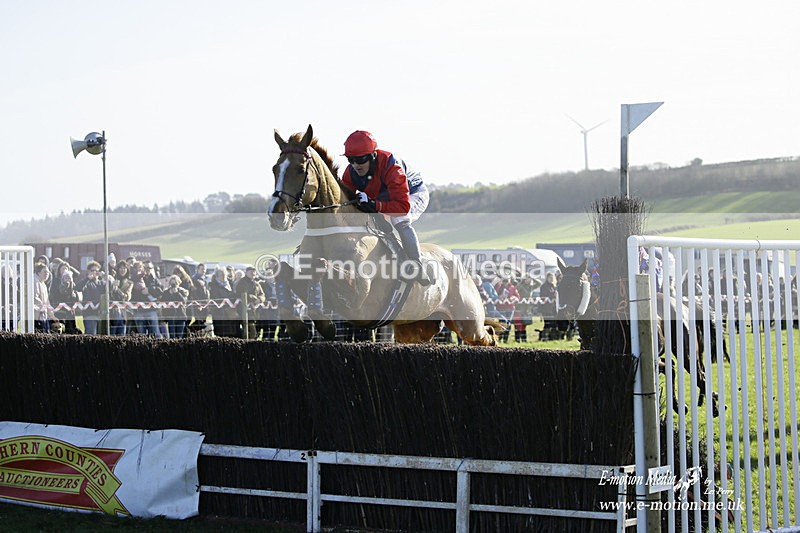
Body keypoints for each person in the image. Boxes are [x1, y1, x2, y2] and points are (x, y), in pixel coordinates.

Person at [340, 130, 432, 286]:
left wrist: (375, 205)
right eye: (351, 160)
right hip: (383, 197)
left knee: (399, 218)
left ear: (372, 156)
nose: (356, 165)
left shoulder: (392, 169)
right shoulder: (350, 173)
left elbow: (402, 207)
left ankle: (416, 265)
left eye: (361, 159)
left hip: (413, 195)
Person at [235, 266, 266, 339]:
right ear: (246, 273)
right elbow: (242, 293)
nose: (253, 274)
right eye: (251, 272)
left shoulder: (257, 283)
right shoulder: (242, 282)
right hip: (245, 310)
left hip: (256, 311)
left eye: (254, 272)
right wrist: (253, 298)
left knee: (256, 330)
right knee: (250, 330)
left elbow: (263, 295)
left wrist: (259, 299)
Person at [75, 261, 106, 335]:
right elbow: (77, 288)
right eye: (93, 270)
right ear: (88, 271)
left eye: (97, 270)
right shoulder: (86, 282)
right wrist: (87, 279)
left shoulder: (102, 283)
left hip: (101, 314)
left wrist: (107, 278)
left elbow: (111, 289)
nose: (95, 272)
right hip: (89, 314)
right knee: (91, 335)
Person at [160, 274, 189, 339]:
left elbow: (184, 301)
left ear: (178, 283)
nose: (174, 285)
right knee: (172, 336)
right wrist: (170, 293)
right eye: (172, 283)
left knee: (179, 336)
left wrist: (177, 293)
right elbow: (163, 303)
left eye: (176, 283)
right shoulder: (166, 292)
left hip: (180, 316)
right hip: (171, 317)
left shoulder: (182, 291)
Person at [33, 262, 57, 332]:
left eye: (48, 272)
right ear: (38, 272)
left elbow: (47, 302)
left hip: (43, 316)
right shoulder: (35, 281)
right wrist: (44, 306)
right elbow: (35, 298)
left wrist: (53, 316)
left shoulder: (43, 284)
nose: (47, 273)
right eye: (45, 272)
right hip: (36, 316)